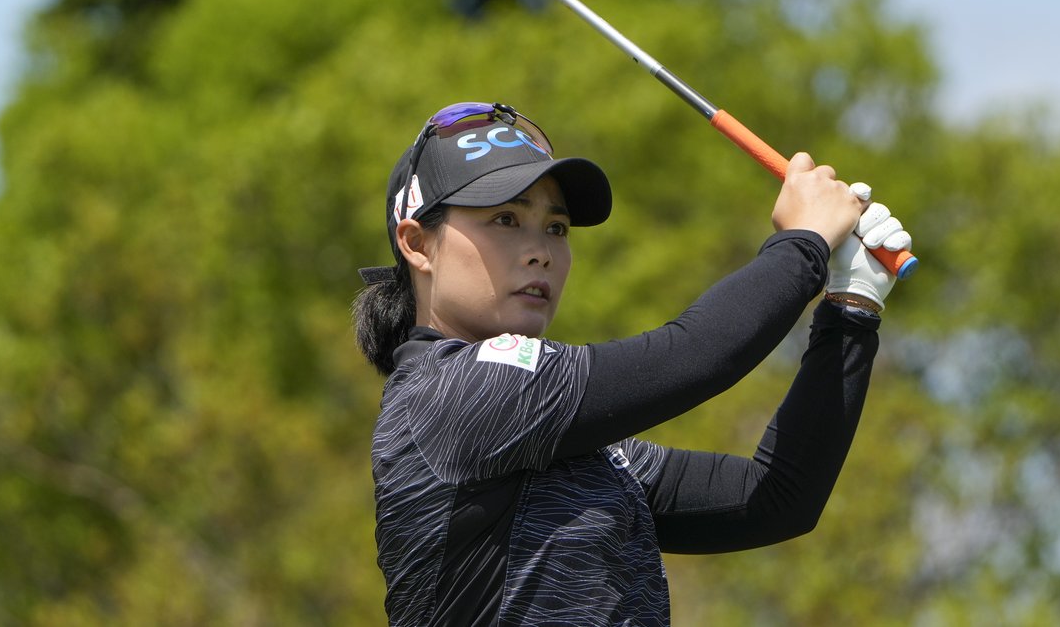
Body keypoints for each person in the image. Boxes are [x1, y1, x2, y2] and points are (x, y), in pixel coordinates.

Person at [353, 101, 911, 626]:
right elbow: (695, 354)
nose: (541, 249)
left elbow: (776, 499)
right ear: (417, 244)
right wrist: (805, 242)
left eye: (556, 227)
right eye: (504, 219)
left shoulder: (578, 445)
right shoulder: (449, 392)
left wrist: (851, 306)